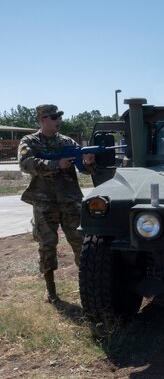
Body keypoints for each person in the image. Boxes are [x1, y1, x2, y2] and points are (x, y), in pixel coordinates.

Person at [18, 104, 95, 303]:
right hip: (45, 202)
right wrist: (55, 165)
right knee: (47, 245)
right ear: (43, 119)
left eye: (59, 116)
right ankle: (51, 291)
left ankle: (87, 287)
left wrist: (87, 162)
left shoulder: (67, 141)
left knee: (82, 244)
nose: (58, 120)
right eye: (53, 117)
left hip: (70, 201)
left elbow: (86, 171)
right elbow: (26, 164)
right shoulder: (30, 141)